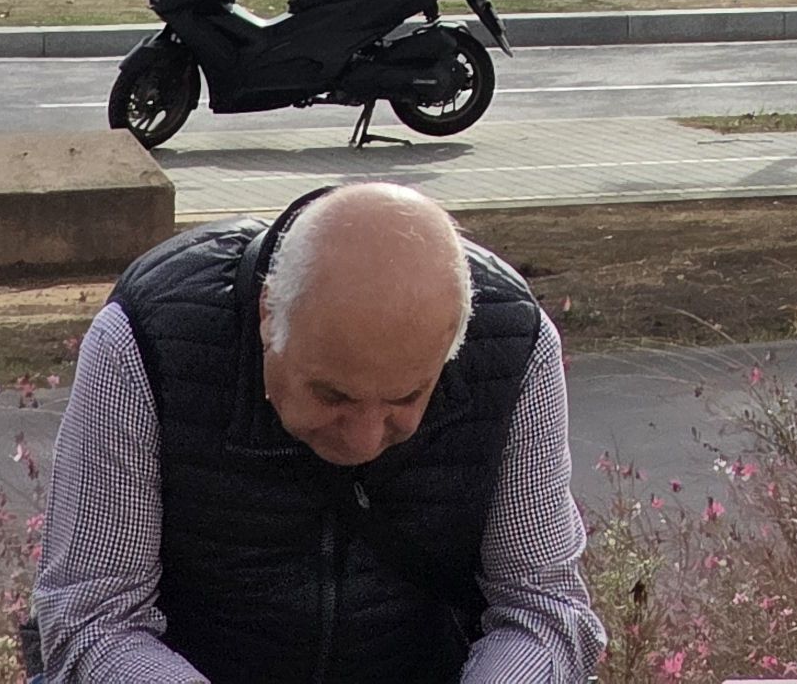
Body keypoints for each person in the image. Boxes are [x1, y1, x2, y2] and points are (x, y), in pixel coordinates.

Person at [30, 179, 602, 684]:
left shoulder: (514, 343)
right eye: (333, 395)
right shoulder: (148, 340)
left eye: (405, 398)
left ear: (455, 340)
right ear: (267, 314)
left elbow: (540, 607)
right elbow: (93, 618)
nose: (362, 441)